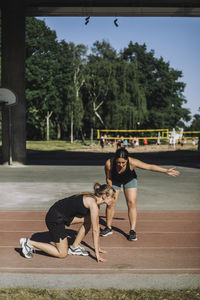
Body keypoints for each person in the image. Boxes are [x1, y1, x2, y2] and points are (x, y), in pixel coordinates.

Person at [20, 183, 116, 262]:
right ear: (104, 196)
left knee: (88, 220)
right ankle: (29, 243)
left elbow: (96, 226)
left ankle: (74, 247)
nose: (114, 199)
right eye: (112, 196)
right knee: (62, 253)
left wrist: (98, 248)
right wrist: (97, 254)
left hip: (62, 215)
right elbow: (95, 231)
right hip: (55, 218)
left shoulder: (94, 201)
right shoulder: (92, 203)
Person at [100, 148, 180, 241]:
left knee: (131, 203)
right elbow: (108, 178)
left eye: (123, 163)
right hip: (115, 180)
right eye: (118, 162)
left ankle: (132, 231)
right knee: (111, 203)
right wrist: (112, 191)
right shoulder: (109, 163)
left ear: (127, 160)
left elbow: (149, 167)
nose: (121, 165)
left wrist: (165, 171)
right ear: (115, 159)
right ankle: (108, 227)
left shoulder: (133, 162)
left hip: (129, 179)